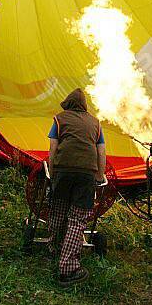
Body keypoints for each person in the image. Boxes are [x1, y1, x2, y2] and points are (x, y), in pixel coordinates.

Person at [47, 88, 106, 287]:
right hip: (86, 173)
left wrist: (53, 173)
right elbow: (101, 152)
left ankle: (54, 248)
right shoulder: (95, 123)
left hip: (63, 170)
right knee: (77, 219)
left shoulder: (59, 119)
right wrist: (99, 175)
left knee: (58, 210)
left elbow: (53, 148)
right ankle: (69, 267)